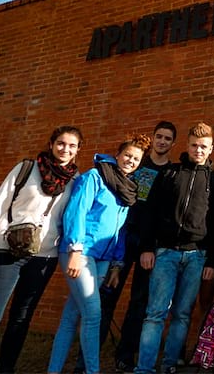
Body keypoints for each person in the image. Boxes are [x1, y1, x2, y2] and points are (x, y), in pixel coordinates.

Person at [73, 121, 177, 373]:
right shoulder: (139, 165)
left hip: (147, 246)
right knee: (105, 298)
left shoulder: (172, 173)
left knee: (139, 302)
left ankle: (125, 355)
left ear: (173, 143)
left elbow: (162, 214)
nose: (162, 141)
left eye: (167, 138)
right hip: (119, 241)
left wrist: (150, 245)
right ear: (153, 138)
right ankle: (85, 360)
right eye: (159, 137)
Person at [48, 133, 151, 374]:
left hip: (104, 260)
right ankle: (92, 371)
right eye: (127, 155)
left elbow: (120, 231)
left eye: (136, 159)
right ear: (118, 154)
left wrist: (117, 264)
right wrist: (74, 249)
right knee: (93, 314)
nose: (131, 161)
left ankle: (53, 370)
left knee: (71, 316)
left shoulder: (128, 189)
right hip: (80, 253)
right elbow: (76, 212)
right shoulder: (94, 177)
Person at [135, 122, 214, 374]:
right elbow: (150, 212)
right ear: (187, 146)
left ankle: (169, 366)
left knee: (182, 314)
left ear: (211, 149)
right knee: (155, 314)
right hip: (165, 253)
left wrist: (213, 262)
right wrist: (146, 247)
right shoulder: (170, 174)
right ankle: (144, 368)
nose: (199, 150)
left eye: (204, 147)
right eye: (195, 145)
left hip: (197, 256)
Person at [0, 126, 83, 373]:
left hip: (44, 257)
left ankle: (5, 368)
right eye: (61, 143)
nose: (65, 149)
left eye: (72, 145)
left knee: (21, 319)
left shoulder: (76, 181)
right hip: (7, 251)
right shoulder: (27, 168)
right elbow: (0, 203)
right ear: (51, 143)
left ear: (78, 150)